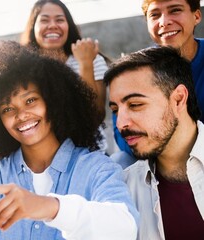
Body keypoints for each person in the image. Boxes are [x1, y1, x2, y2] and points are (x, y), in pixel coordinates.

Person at [0, 41, 138, 240]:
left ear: (54, 100)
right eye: (8, 108)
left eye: (30, 100)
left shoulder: (97, 169)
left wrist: (48, 207)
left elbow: (126, 229)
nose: (21, 115)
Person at [105, 46, 204, 239]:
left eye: (135, 105)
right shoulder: (123, 191)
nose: (121, 123)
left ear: (178, 99)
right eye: (116, 109)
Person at [112, 0, 204, 168]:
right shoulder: (138, 69)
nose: (164, 22)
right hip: (160, 157)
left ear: (196, 15)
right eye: (155, 15)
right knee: (120, 162)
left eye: (175, 10)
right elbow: (122, 133)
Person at [20, 0, 110, 153]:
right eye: (44, 20)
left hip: (91, 152)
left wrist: (85, 64)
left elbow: (95, 116)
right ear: (33, 27)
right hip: (45, 156)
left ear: (69, 26)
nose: (53, 25)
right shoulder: (21, 67)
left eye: (60, 20)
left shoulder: (92, 59)